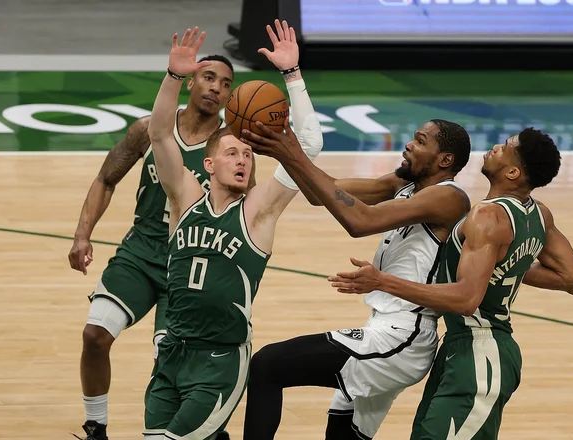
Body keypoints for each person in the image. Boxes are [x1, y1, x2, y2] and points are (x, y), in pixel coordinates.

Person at [239, 91, 473, 438]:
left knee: (268, 365)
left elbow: (359, 221)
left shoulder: (449, 197)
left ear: (444, 160)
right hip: (386, 329)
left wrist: (294, 154)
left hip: (403, 337)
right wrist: (283, 154)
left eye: (420, 141)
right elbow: (323, 194)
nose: (408, 145)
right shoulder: (402, 184)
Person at [327, 128, 573, 440]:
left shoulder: (487, 215)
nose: (494, 148)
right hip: (463, 350)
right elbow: (571, 278)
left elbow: (466, 299)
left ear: (513, 171)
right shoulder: (538, 215)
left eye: (504, 148)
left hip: (480, 351)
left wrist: (382, 281)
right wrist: (500, 265)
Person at [142, 24, 323, 440]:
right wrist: (172, 78)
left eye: (247, 154)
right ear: (208, 165)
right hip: (173, 351)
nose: (243, 159)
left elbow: (309, 146)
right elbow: (159, 134)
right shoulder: (185, 198)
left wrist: (292, 74)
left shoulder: (260, 211)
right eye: (231, 153)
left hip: (220, 359)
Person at [67, 46, 247, 440]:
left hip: (188, 268)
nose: (216, 87)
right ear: (190, 81)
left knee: (176, 361)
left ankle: (207, 430)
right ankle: (96, 426)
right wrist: (83, 234)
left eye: (226, 84)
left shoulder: (229, 148)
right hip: (141, 252)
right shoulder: (147, 130)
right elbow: (106, 179)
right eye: (209, 77)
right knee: (95, 334)